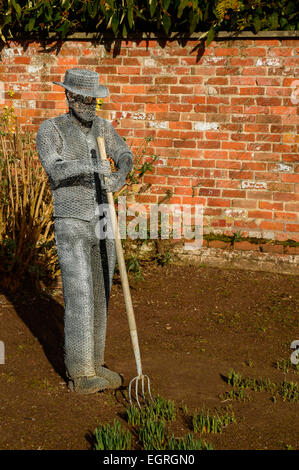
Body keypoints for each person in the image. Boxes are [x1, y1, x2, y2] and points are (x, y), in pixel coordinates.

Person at [36, 68, 133, 394]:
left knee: (100, 295)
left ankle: (95, 363)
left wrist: (120, 176)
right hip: (72, 222)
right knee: (79, 298)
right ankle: (79, 374)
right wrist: (92, 165)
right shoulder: (51, 129)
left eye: (93, 99)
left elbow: (124, 154)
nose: (89, 104)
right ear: (67, 95)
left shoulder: (104, 128)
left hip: (104, 220)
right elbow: (55, 168)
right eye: (82, 97)